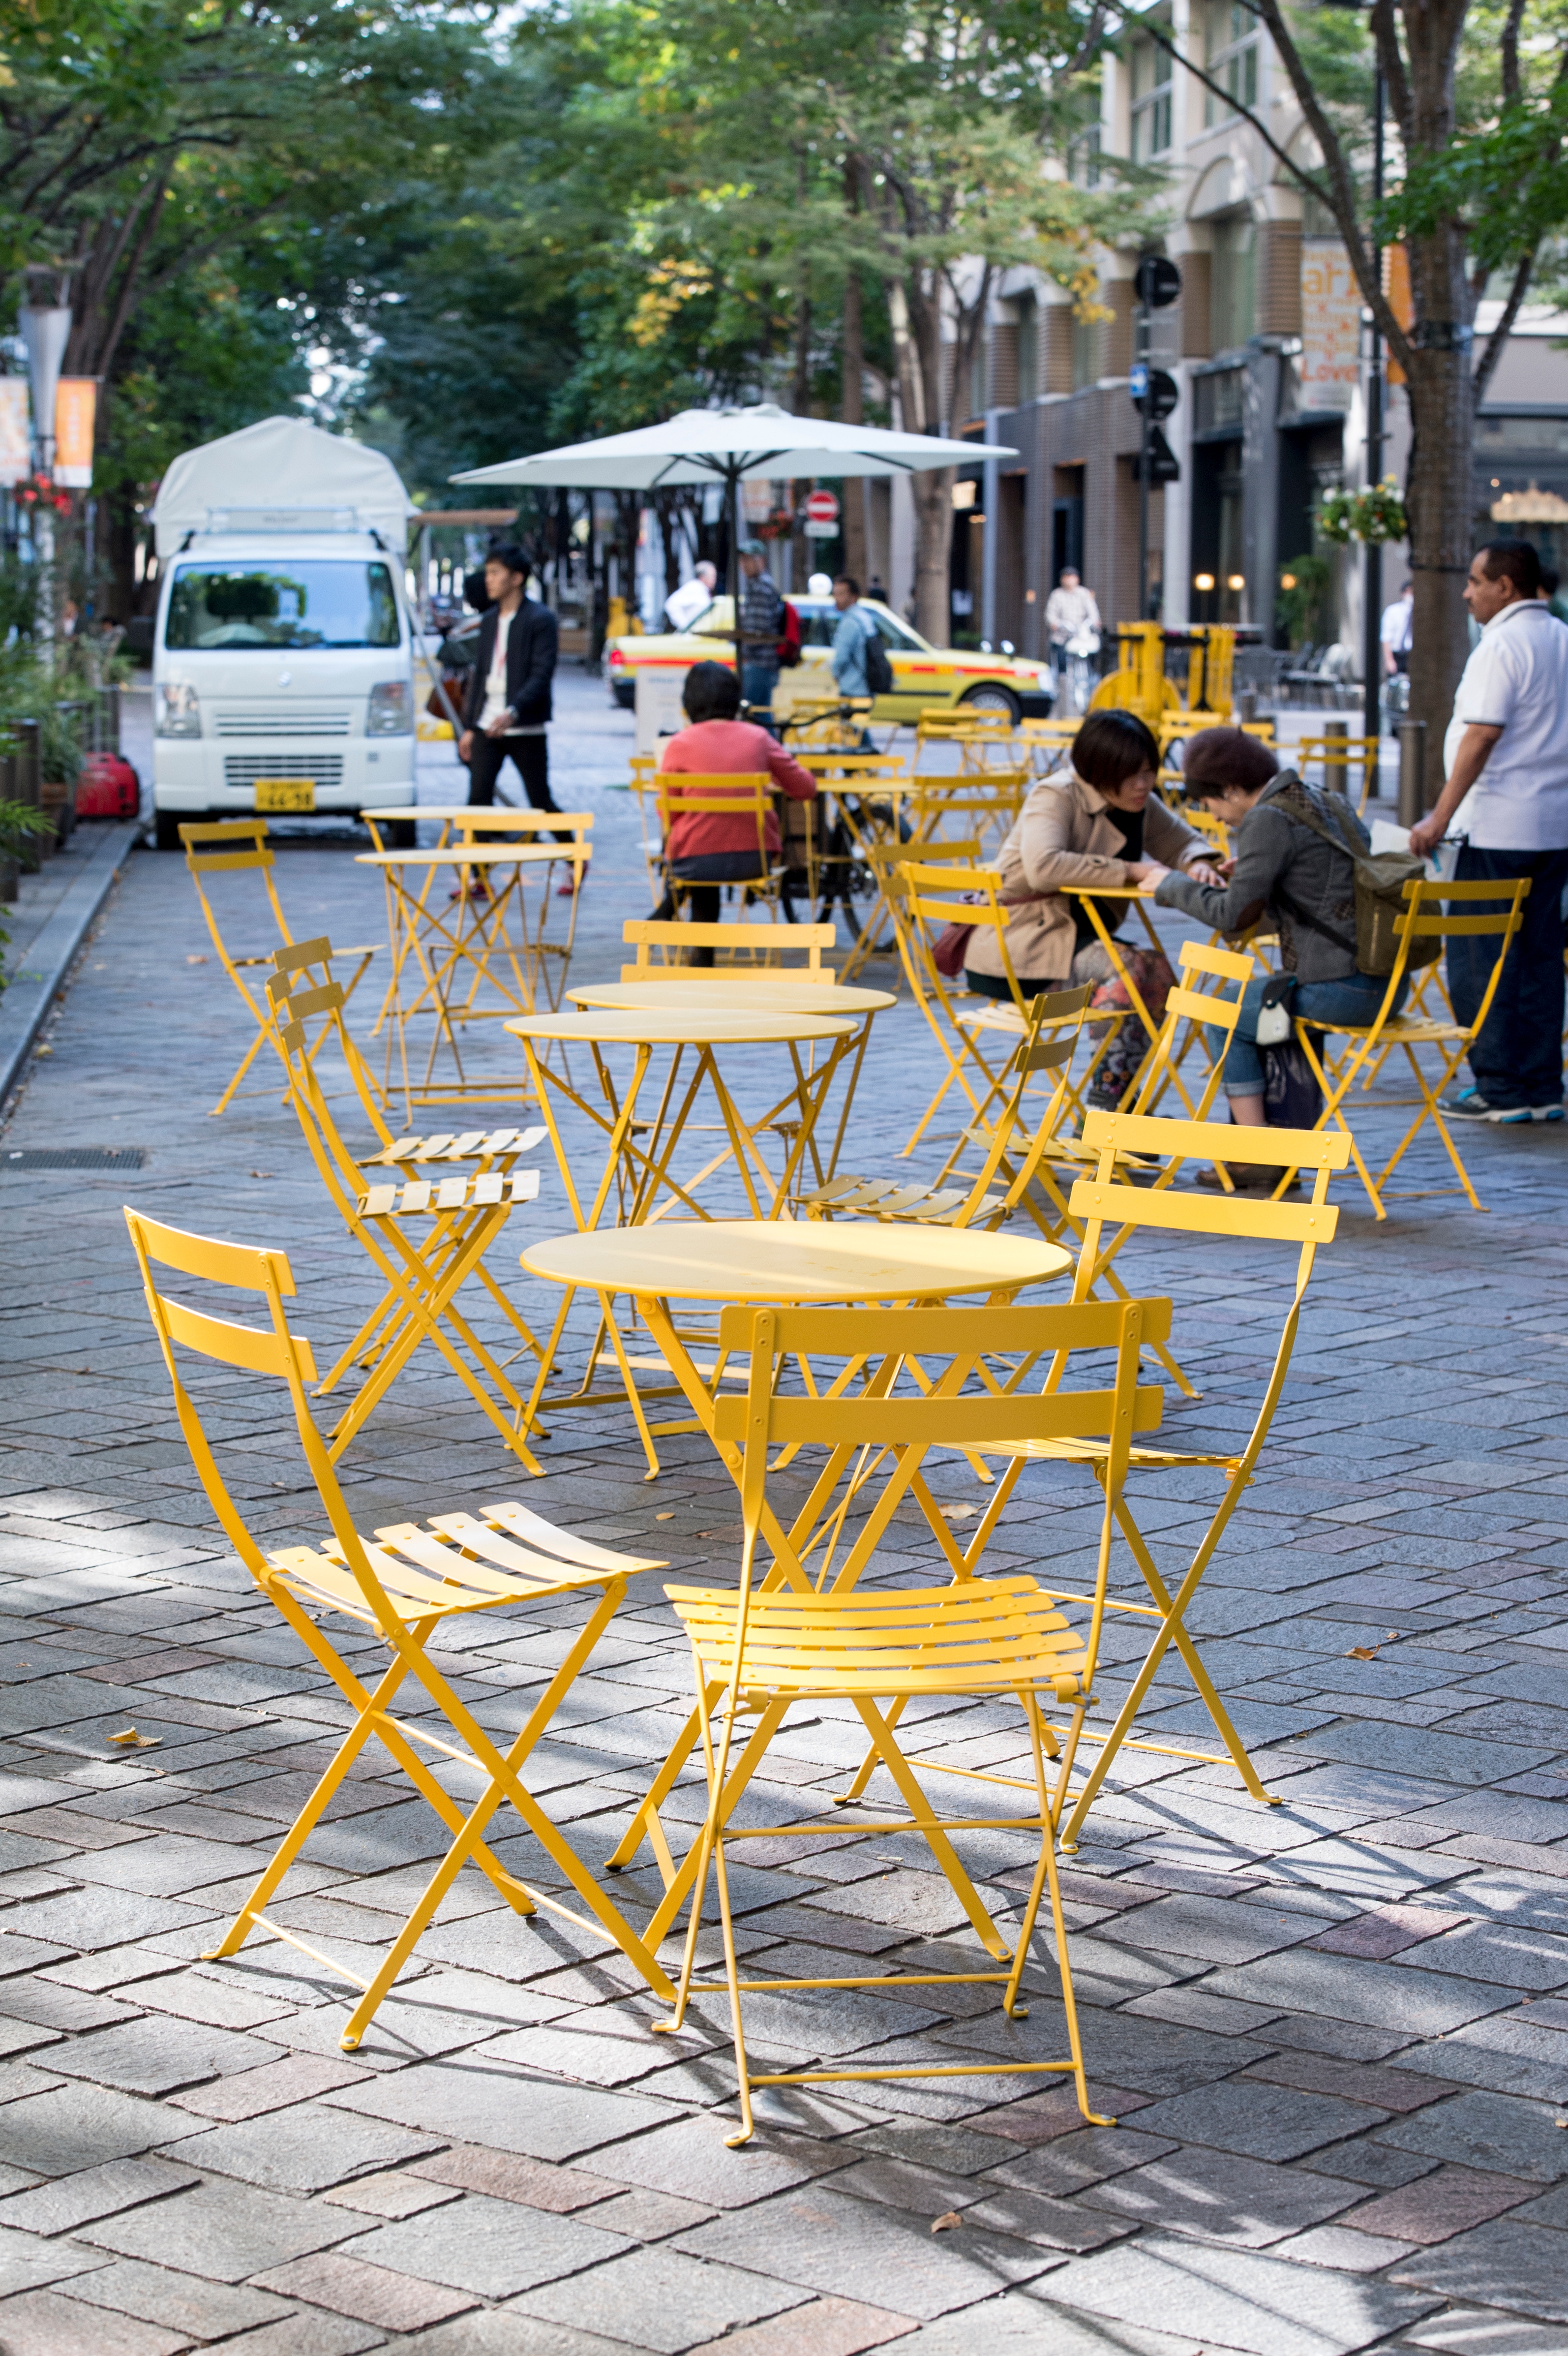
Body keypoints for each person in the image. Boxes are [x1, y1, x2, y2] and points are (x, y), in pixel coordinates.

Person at [1157, 728, 1404, 1181]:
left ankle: (1258, 1152)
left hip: (1343, 987)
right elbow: (1322, 891)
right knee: (1262, 1003)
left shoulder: (1267, 819)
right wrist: (1253, 871)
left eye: (1209, 802)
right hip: (1387, 982)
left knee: (1221, 1012)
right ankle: (1274, 1141)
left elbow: (1232, 916)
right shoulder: (1325, 800)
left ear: (1230, 789)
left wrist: (1167, 885)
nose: (1213, 815)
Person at [963, 709, 1224, 1110]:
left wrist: (1199, 863)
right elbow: (1043, 866)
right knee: (1128, 971)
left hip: (1081, 944)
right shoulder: (1056, 795)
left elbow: (1182, 842)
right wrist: (1131, 870)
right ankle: (1105, 1110)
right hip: (1022, 947)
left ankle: (1120, 1103)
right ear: (1099, 770)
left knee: (1157, 970)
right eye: (1131, 774)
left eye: (1149, 772)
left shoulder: (1139, 801)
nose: (1143, 784)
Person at [1408, 537, 1568, 1123]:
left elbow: (1480, 735)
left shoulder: (1500, 644)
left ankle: (1499, 1088)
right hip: (1553, 828)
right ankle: (1541, 1086)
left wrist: (1438, 816)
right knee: (1539, 959)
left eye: (1475, 581)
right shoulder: (1559, 636)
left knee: (1482, 958)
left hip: (1498, 827)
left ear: (1505, 586)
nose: (1466, 591)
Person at [652, 660, 817, 961]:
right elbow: (805, 789)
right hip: (756, 859)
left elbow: (668, 816)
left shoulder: (678, 744)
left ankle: (700, 957)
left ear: (689, 702)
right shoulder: (758, 738)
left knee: (700, 855)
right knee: (712, 848)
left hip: (694, 861)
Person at [458, 544, 562, 824]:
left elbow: (542, 673)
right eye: (487, 573)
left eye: (495, 573)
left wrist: (514, 710)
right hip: (487, 724)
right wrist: (470, 726)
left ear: (516, 578)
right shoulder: (490, 620)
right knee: (478, 800)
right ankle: (479, 866)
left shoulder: (540, 620)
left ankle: (573, 854)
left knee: (539, 798)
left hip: (524, 724)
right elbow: (480, 675)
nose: (488, 580)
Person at [735, 544, 785, 720]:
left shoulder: (761, 588)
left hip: (760, 663)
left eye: (749, 559)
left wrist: (745, 652)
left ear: (762, 560)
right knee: (760, 716)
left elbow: (757, 631)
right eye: (743, 560)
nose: (745, 564)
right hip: (762, 663)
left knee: (754, 716)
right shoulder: (757, 586)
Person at [1044, 567, 1101, 685]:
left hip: (1081, 635)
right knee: (1060, 658)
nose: (1070, 580)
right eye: (1067, 577)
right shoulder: (1057, 595)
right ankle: (1062, 682)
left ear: (1077, 579)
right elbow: (1050, 615)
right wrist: (1056, 624)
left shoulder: (1084, 593)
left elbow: (1093, 611)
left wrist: (1094, 622)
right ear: (1062, 579)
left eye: (1072, 577)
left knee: (1094, 651)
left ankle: (1092, 677)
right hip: (1063, 635)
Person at [829, 574, 875, 697]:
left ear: (853, 597)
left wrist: (836, 674)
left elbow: (842, 657)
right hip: (867, 685)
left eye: (841, 594)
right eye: (835, 594)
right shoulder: (864, 618)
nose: (836, 598)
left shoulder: (849, 622)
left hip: (852, 688)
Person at [664, 561, 717, 633]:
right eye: (712, 576)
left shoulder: (703, 590)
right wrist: (685, 626)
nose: (714, 580)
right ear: (702, 577)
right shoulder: (694, 587)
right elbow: (671, 604)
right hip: (692, 636)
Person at [1380, 581, 1414, 676]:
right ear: (1402, 593)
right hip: (1397, 655)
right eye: (1409, 592)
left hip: (1413, 655)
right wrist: (1389, 660)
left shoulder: (1419, 613)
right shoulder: (1393, 611)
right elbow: (1386, 637)